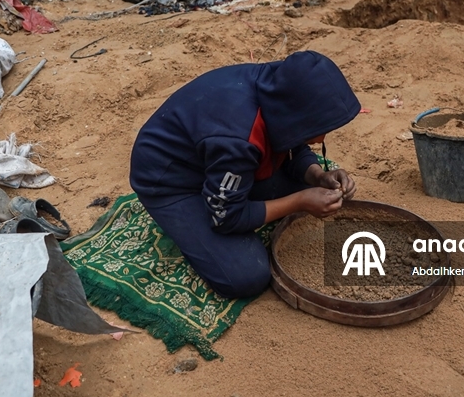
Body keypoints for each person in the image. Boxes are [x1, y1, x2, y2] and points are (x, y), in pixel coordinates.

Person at [129, 51, 361, 298]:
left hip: (215, 155)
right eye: (319, 130)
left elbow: (293, 144)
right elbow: (227, 217)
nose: (321, 139)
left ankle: (250, 185)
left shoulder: (279, 86)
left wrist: (316, 176)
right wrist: (299, 201)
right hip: (170, 181)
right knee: (245, 276)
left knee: (312, 188)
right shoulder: (238, 138)